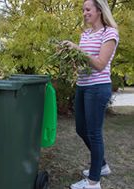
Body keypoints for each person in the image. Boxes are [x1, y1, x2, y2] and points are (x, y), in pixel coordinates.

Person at [64, 1, 119, 189]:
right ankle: (101, 165)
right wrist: (69, 57)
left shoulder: (110, 33)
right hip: (82, 86)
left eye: (88, 9)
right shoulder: (85, 34)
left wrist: (78, 50)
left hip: (98, 87)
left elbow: (100, 64)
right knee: (81, 129)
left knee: (94, 133)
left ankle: (94, 182)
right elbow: (83, 63)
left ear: (99, 11)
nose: (84, 13)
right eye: (83, 10)